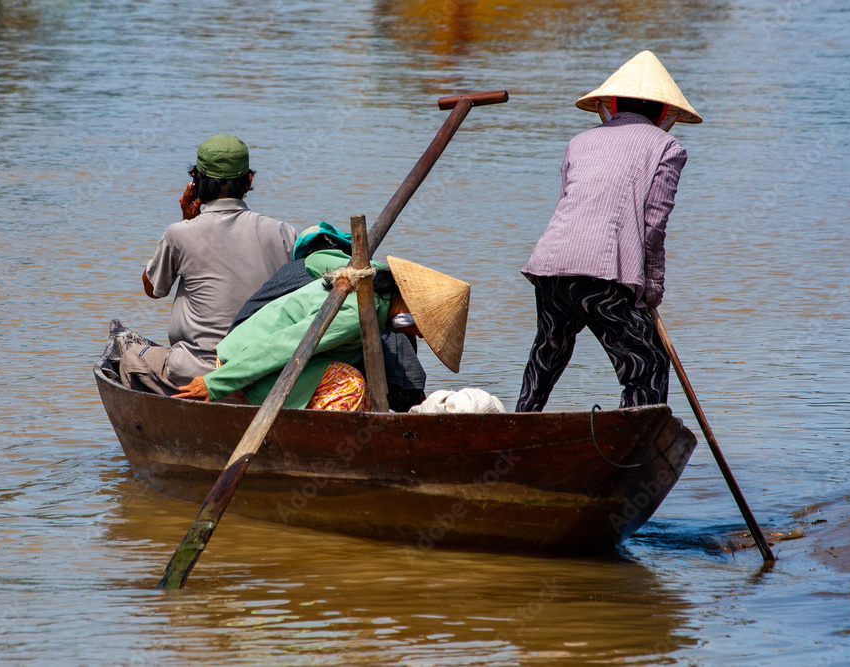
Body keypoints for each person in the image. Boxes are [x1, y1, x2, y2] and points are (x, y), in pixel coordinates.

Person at [516, 51, 701, 412]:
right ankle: (636, 446)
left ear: (611, 104)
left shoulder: (579, 141)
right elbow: (654, 226)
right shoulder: (667, 147)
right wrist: (652, 288)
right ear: (665, 113)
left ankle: (520, 424)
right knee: (648, 362)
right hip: (602, 272)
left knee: (547, 356)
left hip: (551, 267)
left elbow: (568, 205)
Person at [173, 249, 470, 411]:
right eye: (422, 329)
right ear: (408, 305)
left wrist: (348, 267)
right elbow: (285, 346)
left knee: (366, 393)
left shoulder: (371, 273)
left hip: (255, 354)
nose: (417, 336)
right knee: (351, 384)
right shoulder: (358, 313)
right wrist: (215, 384)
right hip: (245, 363)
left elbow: (315, 260)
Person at [120, 134, 299, 395]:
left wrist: (185, 221)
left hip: (197, 370)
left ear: (196, 184)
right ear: (248, 181)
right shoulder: (286, 234)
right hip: (261, 372)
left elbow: (153, 288)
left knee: (129, 360)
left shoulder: (180, 234)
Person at [230, 222, 429, 411]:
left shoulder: (365, 298)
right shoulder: (330, 288)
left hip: (251, 361)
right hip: (261, 367)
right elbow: (285, 344)